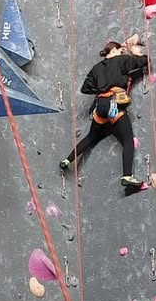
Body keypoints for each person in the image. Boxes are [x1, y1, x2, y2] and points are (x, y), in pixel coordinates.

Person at [59, 35, 149, 191]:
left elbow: (85, 88)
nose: (122, 53)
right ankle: (127, 176)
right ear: (113, 50)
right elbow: (144, 61)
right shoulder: (121, 61)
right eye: (120, 51)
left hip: (101, 105)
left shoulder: (96, 68)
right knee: (127, 140)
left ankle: (67, 161)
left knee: (91, 136)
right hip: (115, 104)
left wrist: (102, 89)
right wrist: (136, 53)